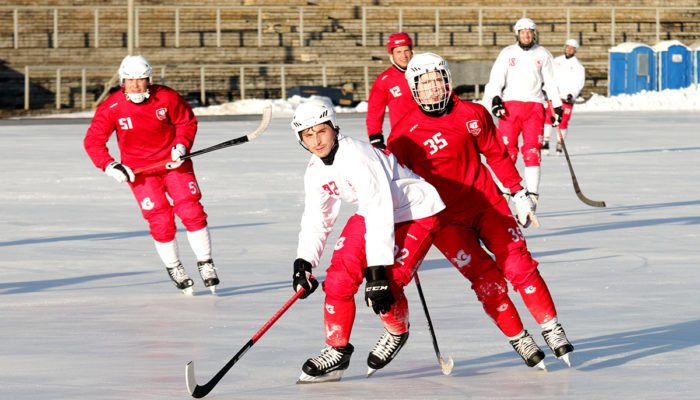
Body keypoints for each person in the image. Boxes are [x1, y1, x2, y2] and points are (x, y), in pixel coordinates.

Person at [387, 52, 574, 369]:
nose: (432, 88)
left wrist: (519, 193)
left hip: (488, 206)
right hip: (444, 223)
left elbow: (497, 155)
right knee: (486, 281)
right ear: (413, 88)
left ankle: (551, 328)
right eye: (425, 83)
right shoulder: (403, 134)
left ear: (447, 81)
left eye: (437, 80)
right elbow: (397, 186)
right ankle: (520, 338)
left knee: (520, 267)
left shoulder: (473, 114)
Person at [290, 99, 445, 383]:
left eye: (321, 131)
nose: (316, 140)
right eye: (308, 135)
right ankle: (337, 350)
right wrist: (305, 261)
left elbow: (379, 210)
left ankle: (397, 331)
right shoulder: (315, 169)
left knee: (388, 282)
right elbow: (317, 216)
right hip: (374, 212)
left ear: (334, 128)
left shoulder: (359, 157)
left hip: (417, 212)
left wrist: (375, 272)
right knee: (338, 278)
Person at [83, 55, 219, 295]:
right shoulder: (112, 107)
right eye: (130, 80)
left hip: (174, 165)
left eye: (141, 79)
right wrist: (110, 165)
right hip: (141, 172)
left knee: (191, 210)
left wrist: (181, 146)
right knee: (161, 220)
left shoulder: (166, 97)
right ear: (122, 81)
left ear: (149, 79)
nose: (136, 85)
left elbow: (186, 123)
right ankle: (174, 266)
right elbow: (93, 142)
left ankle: (205, 262)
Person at [483, 17, 563, 205]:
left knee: (532, 150)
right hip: (510, 107)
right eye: (523, 32)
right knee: (507, 151)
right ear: (517, 34)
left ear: (534, 34)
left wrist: (556, 105)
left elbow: (551, 82)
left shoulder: (543, 54)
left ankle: (533, 194)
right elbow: (496, 79)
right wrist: (495, 98)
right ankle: (504, 192)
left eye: (530, 32)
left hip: (535, 106)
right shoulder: (507, 53)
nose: (526, 35)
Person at [365, 32, 416, 150]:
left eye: (406, 50)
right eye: (398, 52)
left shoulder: (424, 72)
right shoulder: (384, 80)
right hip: (404, 138)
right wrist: (375, 137)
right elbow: (374, 111)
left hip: (430, 132)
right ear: (391, 54)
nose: (404, 56)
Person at [543, 38, 586, 155]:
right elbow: (549, 76)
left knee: (563, 121)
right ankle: (545, 142)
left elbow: (579, 83)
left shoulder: (578, 66)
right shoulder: (556, 61)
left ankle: (559, 143)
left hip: (566, 97)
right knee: (548, 118)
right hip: (553, 95)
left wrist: (572, 94)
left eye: (572, 48)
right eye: (568, 47)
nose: (569, 49)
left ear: (575, 50)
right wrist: (546, 89)